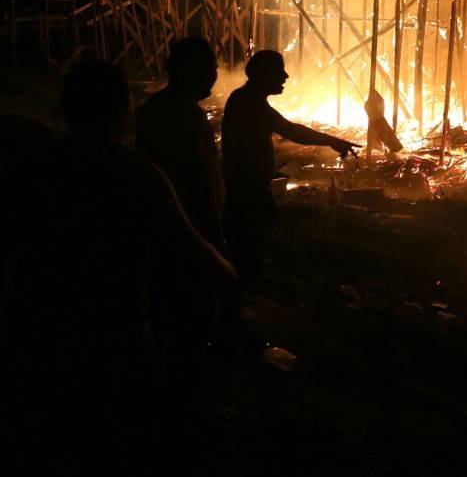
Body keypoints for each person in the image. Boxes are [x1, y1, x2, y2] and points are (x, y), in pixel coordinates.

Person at [0, 61, 236, 473]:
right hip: (113, 326)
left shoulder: (36, 168)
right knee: (115, 431)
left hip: (41, 324)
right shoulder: (134, 173)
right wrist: (226, 273)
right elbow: (186, 242)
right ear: (120, 111)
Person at [221, 50, 359, 277]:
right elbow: (291, 130)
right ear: (264, 74)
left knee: (250, 243)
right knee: (248, 248)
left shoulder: (246, 100)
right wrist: (331, 140)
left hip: (246, 185)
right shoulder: (249, 103)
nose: (285, 76)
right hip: (246, 188)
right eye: (279, 71)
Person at [136, 36, 223, 244]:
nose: (214, 76)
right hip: (188, 227)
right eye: (211, 69)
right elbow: (197, 177)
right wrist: (212, 230)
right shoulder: (186, 115)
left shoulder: (156, 107)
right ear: (193, 72)